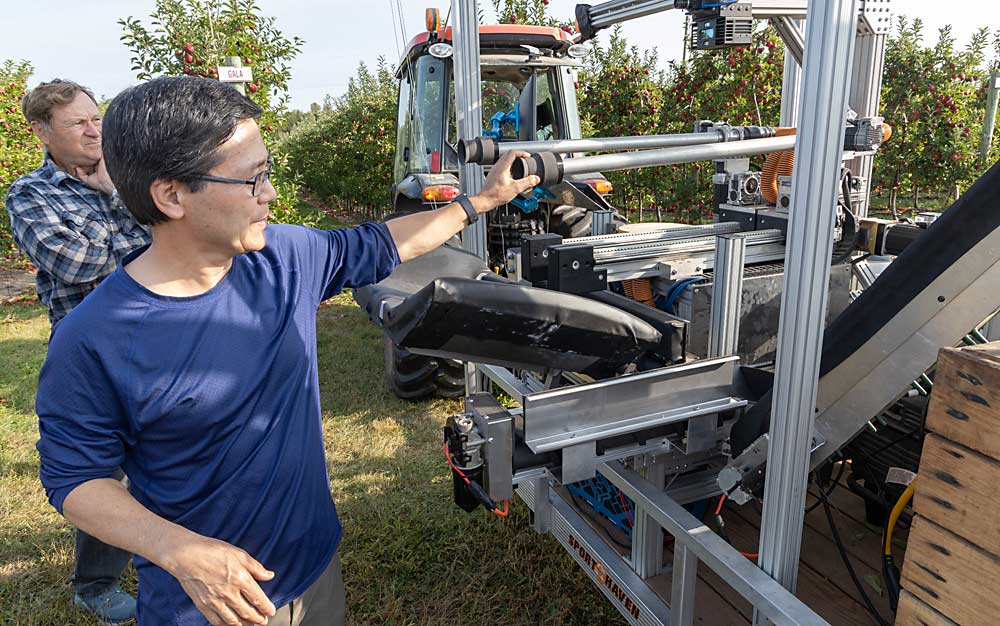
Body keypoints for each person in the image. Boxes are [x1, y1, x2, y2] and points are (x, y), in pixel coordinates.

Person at [34, 76, 539, 626]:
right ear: (171, 195)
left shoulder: (283, 259)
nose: (269, 194)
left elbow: (386, 242)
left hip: (313, 567)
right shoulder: (94, 338)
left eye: (266, 173)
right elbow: (76, 480)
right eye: (253, 180)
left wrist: (483, 201)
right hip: (213, 603)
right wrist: (179, 551)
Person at [5, 79, 151, 625]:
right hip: (94, 353)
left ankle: (178, 546)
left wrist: (121, 193)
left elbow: (181, 234)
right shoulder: (29, 194)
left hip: (163, 336)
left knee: (173, 449)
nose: (95, 130)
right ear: (41, 131)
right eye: (78, 123)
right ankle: (96, 584)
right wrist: (126, 210)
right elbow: (77, 264)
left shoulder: (129, 176)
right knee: (103, 473)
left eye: (97, 118)